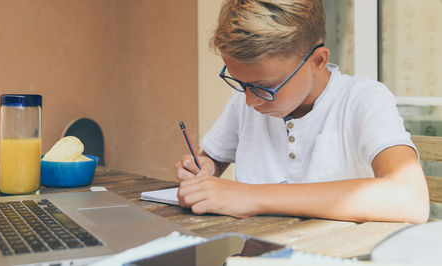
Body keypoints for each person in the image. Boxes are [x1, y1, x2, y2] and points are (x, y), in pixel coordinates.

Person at [174, 0, 429, 223]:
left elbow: (410, 197)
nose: (250, 101)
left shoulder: (361, 99)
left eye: (265, 87)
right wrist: (206, 168)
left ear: (317, 61)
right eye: (241, 84)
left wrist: (252, 196)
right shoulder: (247, 102)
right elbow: (214, 158)